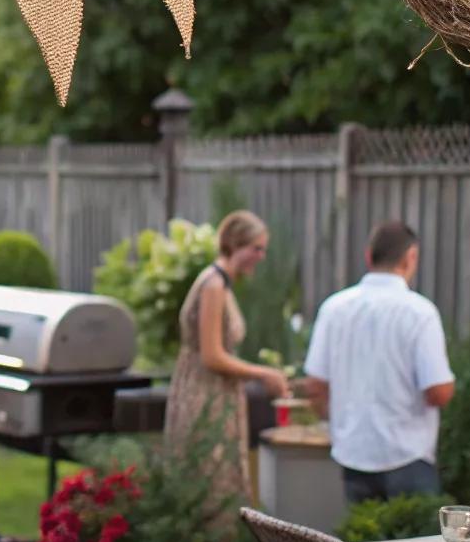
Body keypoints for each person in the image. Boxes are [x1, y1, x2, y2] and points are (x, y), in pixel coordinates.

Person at [304, 220, 455, 505]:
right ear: (411, 257)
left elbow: (315, 384)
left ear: (368, 255)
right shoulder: (420, 313)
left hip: (353, 453)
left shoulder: (334, 308)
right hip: (408, 454)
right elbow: (438, 392)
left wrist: (337, 420)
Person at [165, 211, 290, 509]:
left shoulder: (220, 281)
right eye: (256, 248)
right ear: (235, 244)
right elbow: (212, 356)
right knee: (209, 490)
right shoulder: (214, 285)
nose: (261, 256)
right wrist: (264, 374)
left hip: (216, 394)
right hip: (205, 397)